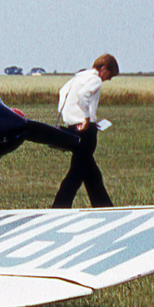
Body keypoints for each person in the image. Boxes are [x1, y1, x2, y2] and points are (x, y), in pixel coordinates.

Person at [51, 54, 119, 208]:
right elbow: (84, 95)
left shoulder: (79, 77)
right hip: (86, 131)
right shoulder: (95, 79)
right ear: (103, 68)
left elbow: (63, 93)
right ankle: (59, 207)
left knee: (92, 173)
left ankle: (103, 206)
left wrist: (68, 116)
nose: (108, 79)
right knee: (76, 173)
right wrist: (86, 118)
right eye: (110, 74)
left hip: (72, 127)